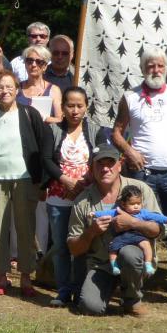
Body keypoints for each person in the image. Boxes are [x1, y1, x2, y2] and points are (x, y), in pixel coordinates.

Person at [0, 69, 62, 297]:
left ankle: (26, 277)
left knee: (25, 228)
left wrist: (43, 182)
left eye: (9, 87)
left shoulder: (30, 114)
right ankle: (1, 276)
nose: (5, 91)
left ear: (17, 89)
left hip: (25, 181)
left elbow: (44, 149)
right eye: (0, 87)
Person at [111, 50, 167, 305]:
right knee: (135, 230)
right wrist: (129, 151)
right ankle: (133, 286)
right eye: (150, 66)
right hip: (140, 174)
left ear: (165, 68)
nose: (155, 69)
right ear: (143, 68)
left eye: (160, 66)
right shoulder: (130, 97)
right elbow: (117, 133)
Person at [67, 145, 167, 317]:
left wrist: (133, 222)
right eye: (100, 164)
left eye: (110, 163)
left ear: (120, 165)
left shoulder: (140, 190)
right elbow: (74, 249)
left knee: (129, 254)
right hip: (102, 265)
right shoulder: (82, 201)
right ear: (91, 168)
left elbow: (157, 230)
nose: (105, 168)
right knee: (90, 308)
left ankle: (132, 300)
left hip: (134, 257)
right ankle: (109, 288)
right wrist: (91, 232)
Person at [45, 86, 110, 307]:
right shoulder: (53, 130)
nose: (74, 110)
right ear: (62, 107)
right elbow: (46, 160)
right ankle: (63, 291)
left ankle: (81, 289)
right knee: (61, 247)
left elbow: (102, 159)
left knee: (82, 245)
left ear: (86, 107)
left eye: (79, 106)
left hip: (86, 198)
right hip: (58, 196)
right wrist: (65, 180)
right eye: (70, 105)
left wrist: (85, 181)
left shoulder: (96, 131)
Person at [97, 185, 167, 277]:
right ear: (123, 204)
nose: (136, 206)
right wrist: (95, 214)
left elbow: (155, 217)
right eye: (132, 204)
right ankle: (114, 266)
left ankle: (148, 264)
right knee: (113, 248)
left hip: (137, 235)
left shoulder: (143, 213)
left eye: (138, 203)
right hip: (122, 236)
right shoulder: (117, 211)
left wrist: (166, 219)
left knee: (146, 245)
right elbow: (106, 213)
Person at [16, 44, 62, 122]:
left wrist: (41, 118)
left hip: (43, 132)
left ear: (45, 66)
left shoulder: (54, 90)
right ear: (25, 64)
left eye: (39, 62)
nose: (33, 65)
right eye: (29, 61)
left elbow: (59, 119)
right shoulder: (16, 88)